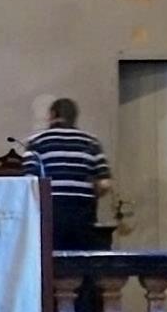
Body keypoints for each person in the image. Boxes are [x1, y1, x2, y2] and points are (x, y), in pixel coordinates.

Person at [19, 98, 111, 252]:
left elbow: (30, 182)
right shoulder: (91, 142)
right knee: (81, 262)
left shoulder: (37, 142)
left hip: (50, 212)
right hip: (83, 213)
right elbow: (104, 183)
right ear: (74, 116)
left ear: (52, 114)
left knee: (53, 264)